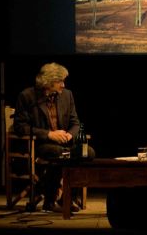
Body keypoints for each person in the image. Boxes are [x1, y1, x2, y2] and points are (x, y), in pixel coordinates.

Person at [14, 62, 95, 212]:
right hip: (41, 144)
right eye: (60, 81)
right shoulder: (27, 96)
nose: (63, 85)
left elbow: (75, 122)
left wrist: (70, 134)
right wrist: (49, 134)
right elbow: (20, 127)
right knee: (61, 154)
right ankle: (59, 197)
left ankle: (57, 195)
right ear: (49, 82)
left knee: (87, 152)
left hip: (65, 143)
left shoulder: (67, 95)